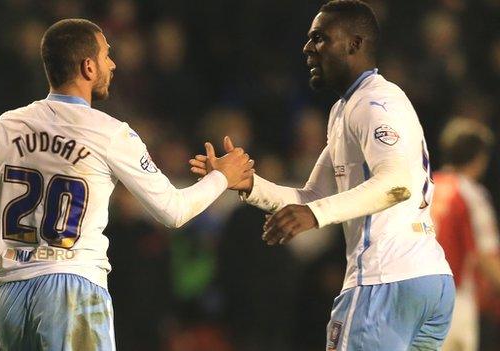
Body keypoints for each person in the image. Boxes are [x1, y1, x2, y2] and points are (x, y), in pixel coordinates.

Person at [0, 19, 254, 350]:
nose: (113, 64)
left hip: (10, 297)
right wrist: (223, 176)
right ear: (88, 67)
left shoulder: (3, 128)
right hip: (72, 290)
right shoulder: (109, 133)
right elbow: (173, 211)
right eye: (107, 55)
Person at [190, 1, 454, 350]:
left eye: (319, 38)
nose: (308, 48)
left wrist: (315, 215)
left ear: (354, 44)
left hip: (384, 281)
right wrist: (249, 184)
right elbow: (313, 197)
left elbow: (397, 184)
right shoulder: (346, 109)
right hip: (425, 279)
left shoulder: (374, 103)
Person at [431, 118, 500, 351]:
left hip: (416, 298)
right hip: (454, 302)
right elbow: (485, 256)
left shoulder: (426, 188)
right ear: (480, 158)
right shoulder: (471, 194)